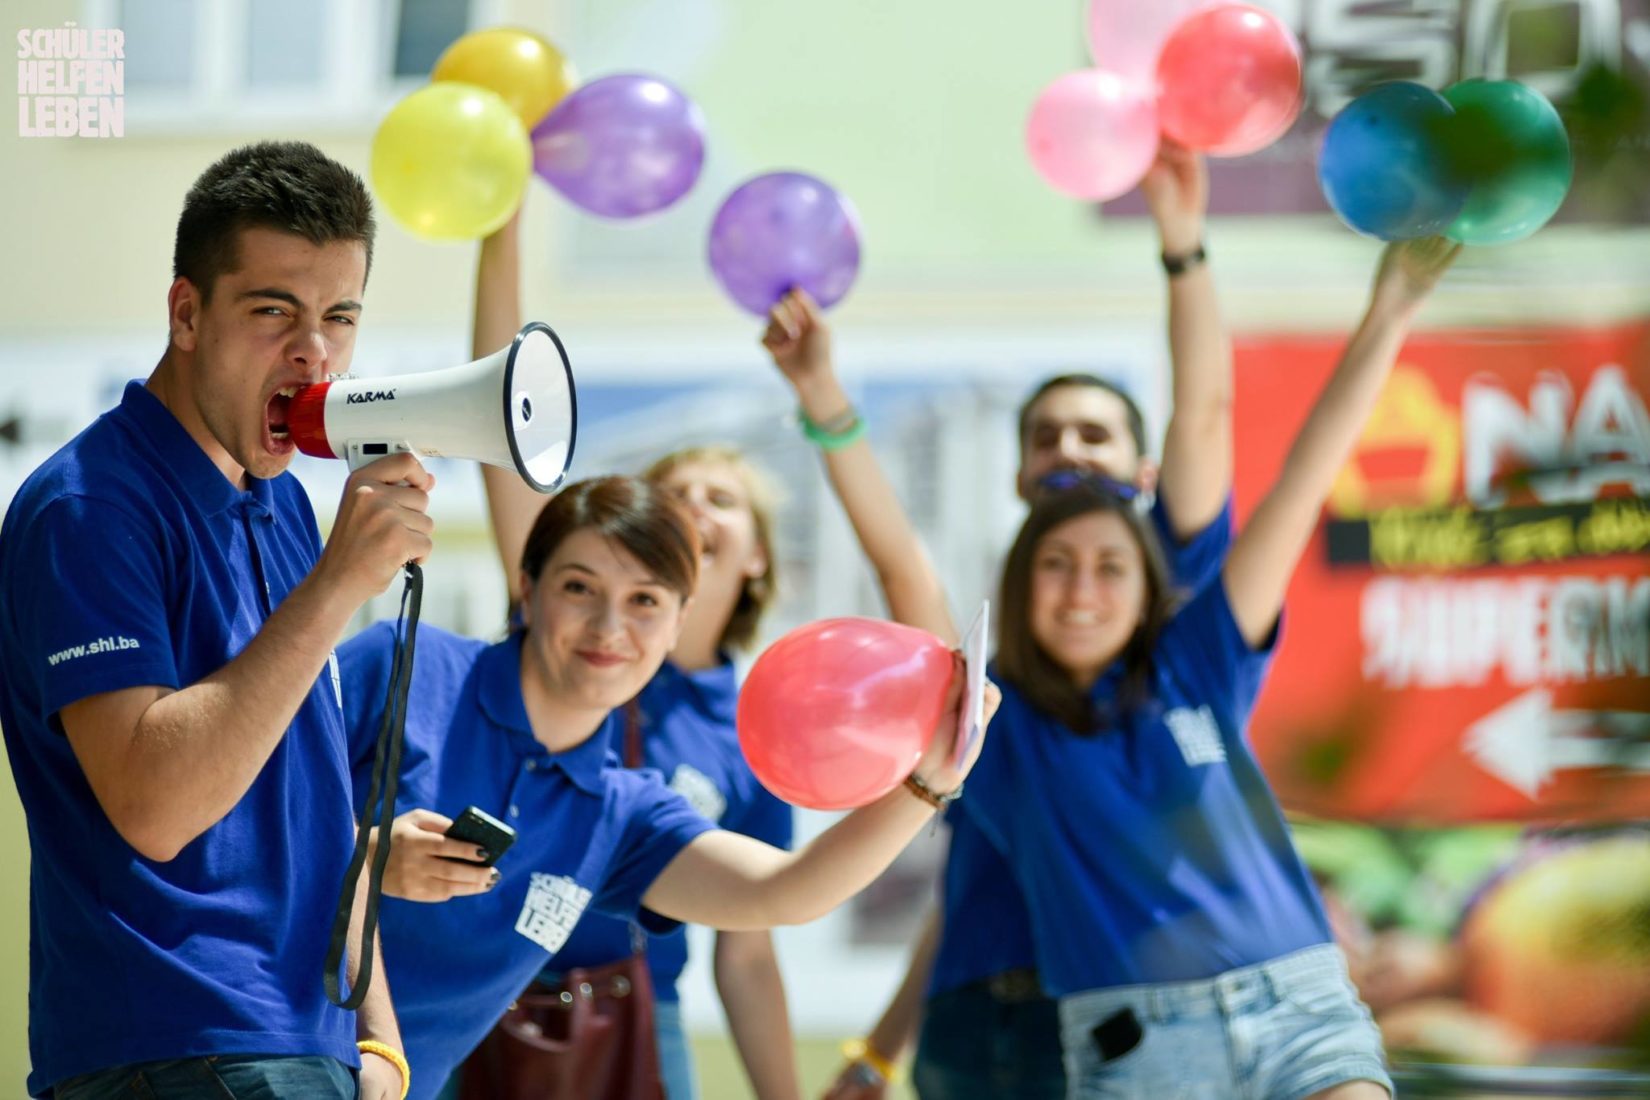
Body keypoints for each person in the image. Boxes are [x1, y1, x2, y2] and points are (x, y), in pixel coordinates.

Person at [960, 237, 1458, 1100]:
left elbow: (1303, 480)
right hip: (1136, 1048)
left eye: (1111, 566)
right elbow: (900, 570)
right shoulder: (991, 721)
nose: (1083, 590)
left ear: (1146, 587)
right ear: (1018, 583)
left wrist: (1393, 308)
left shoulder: (1200, 655)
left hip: (1302, 1012)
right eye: (1057, 565)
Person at [337, 472, 992, 1100]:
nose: (608, 626)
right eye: (579, 587)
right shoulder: (402, 663)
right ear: (528, 590)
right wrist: (363, 853)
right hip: (278, 1056)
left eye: (645, 600)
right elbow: (268, 797)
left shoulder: (622, 815)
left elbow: (785, 890)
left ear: (679, 623)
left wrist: (929, 782)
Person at [0, 142, 422, 1100]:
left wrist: (381, 1043)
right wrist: (335, 587)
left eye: (340, 317)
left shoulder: (285, 504)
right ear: (186, 314)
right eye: (274, 311)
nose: (314, 353)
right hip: (180, 1043)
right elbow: (154, 806)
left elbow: (320, 795)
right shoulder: (89, 505)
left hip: (299, 1043)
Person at [826, 144, 1235, 1100]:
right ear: (1018, 476)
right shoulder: (988, 679)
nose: (1068, 449)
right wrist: (879, 1050)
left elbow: (1205, 411)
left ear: (1145, 474)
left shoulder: (1176, 634)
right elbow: (972, 879)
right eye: (1045, 436)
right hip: (968, 1032)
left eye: (1096, 434)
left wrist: (1182, 245)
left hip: (1113, 1016)